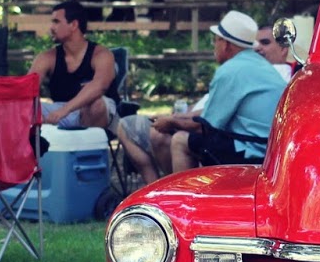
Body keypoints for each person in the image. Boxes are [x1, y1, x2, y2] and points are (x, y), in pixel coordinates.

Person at [117, 9, 287, 185]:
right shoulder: (258, 64)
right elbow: (213, 112)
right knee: (186, 137)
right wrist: (175, 117)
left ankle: (184, 199)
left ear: (226, 44)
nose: (214, 46)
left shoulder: (230, 70)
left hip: (252, 149)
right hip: (271, 147)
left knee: (180, 140)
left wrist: (172, 122)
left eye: (215, 40)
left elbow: (206, 126)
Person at [27, 0, 118, 129]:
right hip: (59, 110)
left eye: (56, 22)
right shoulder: (46, 58)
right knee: (25, 108)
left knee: (96, 104)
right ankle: (39, 146)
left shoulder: (101, 54)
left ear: (74, 25)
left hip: (96, 111)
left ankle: (88, 147)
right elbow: (26, 91)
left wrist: (65, 110)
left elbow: (100, 86)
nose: (51, 27)